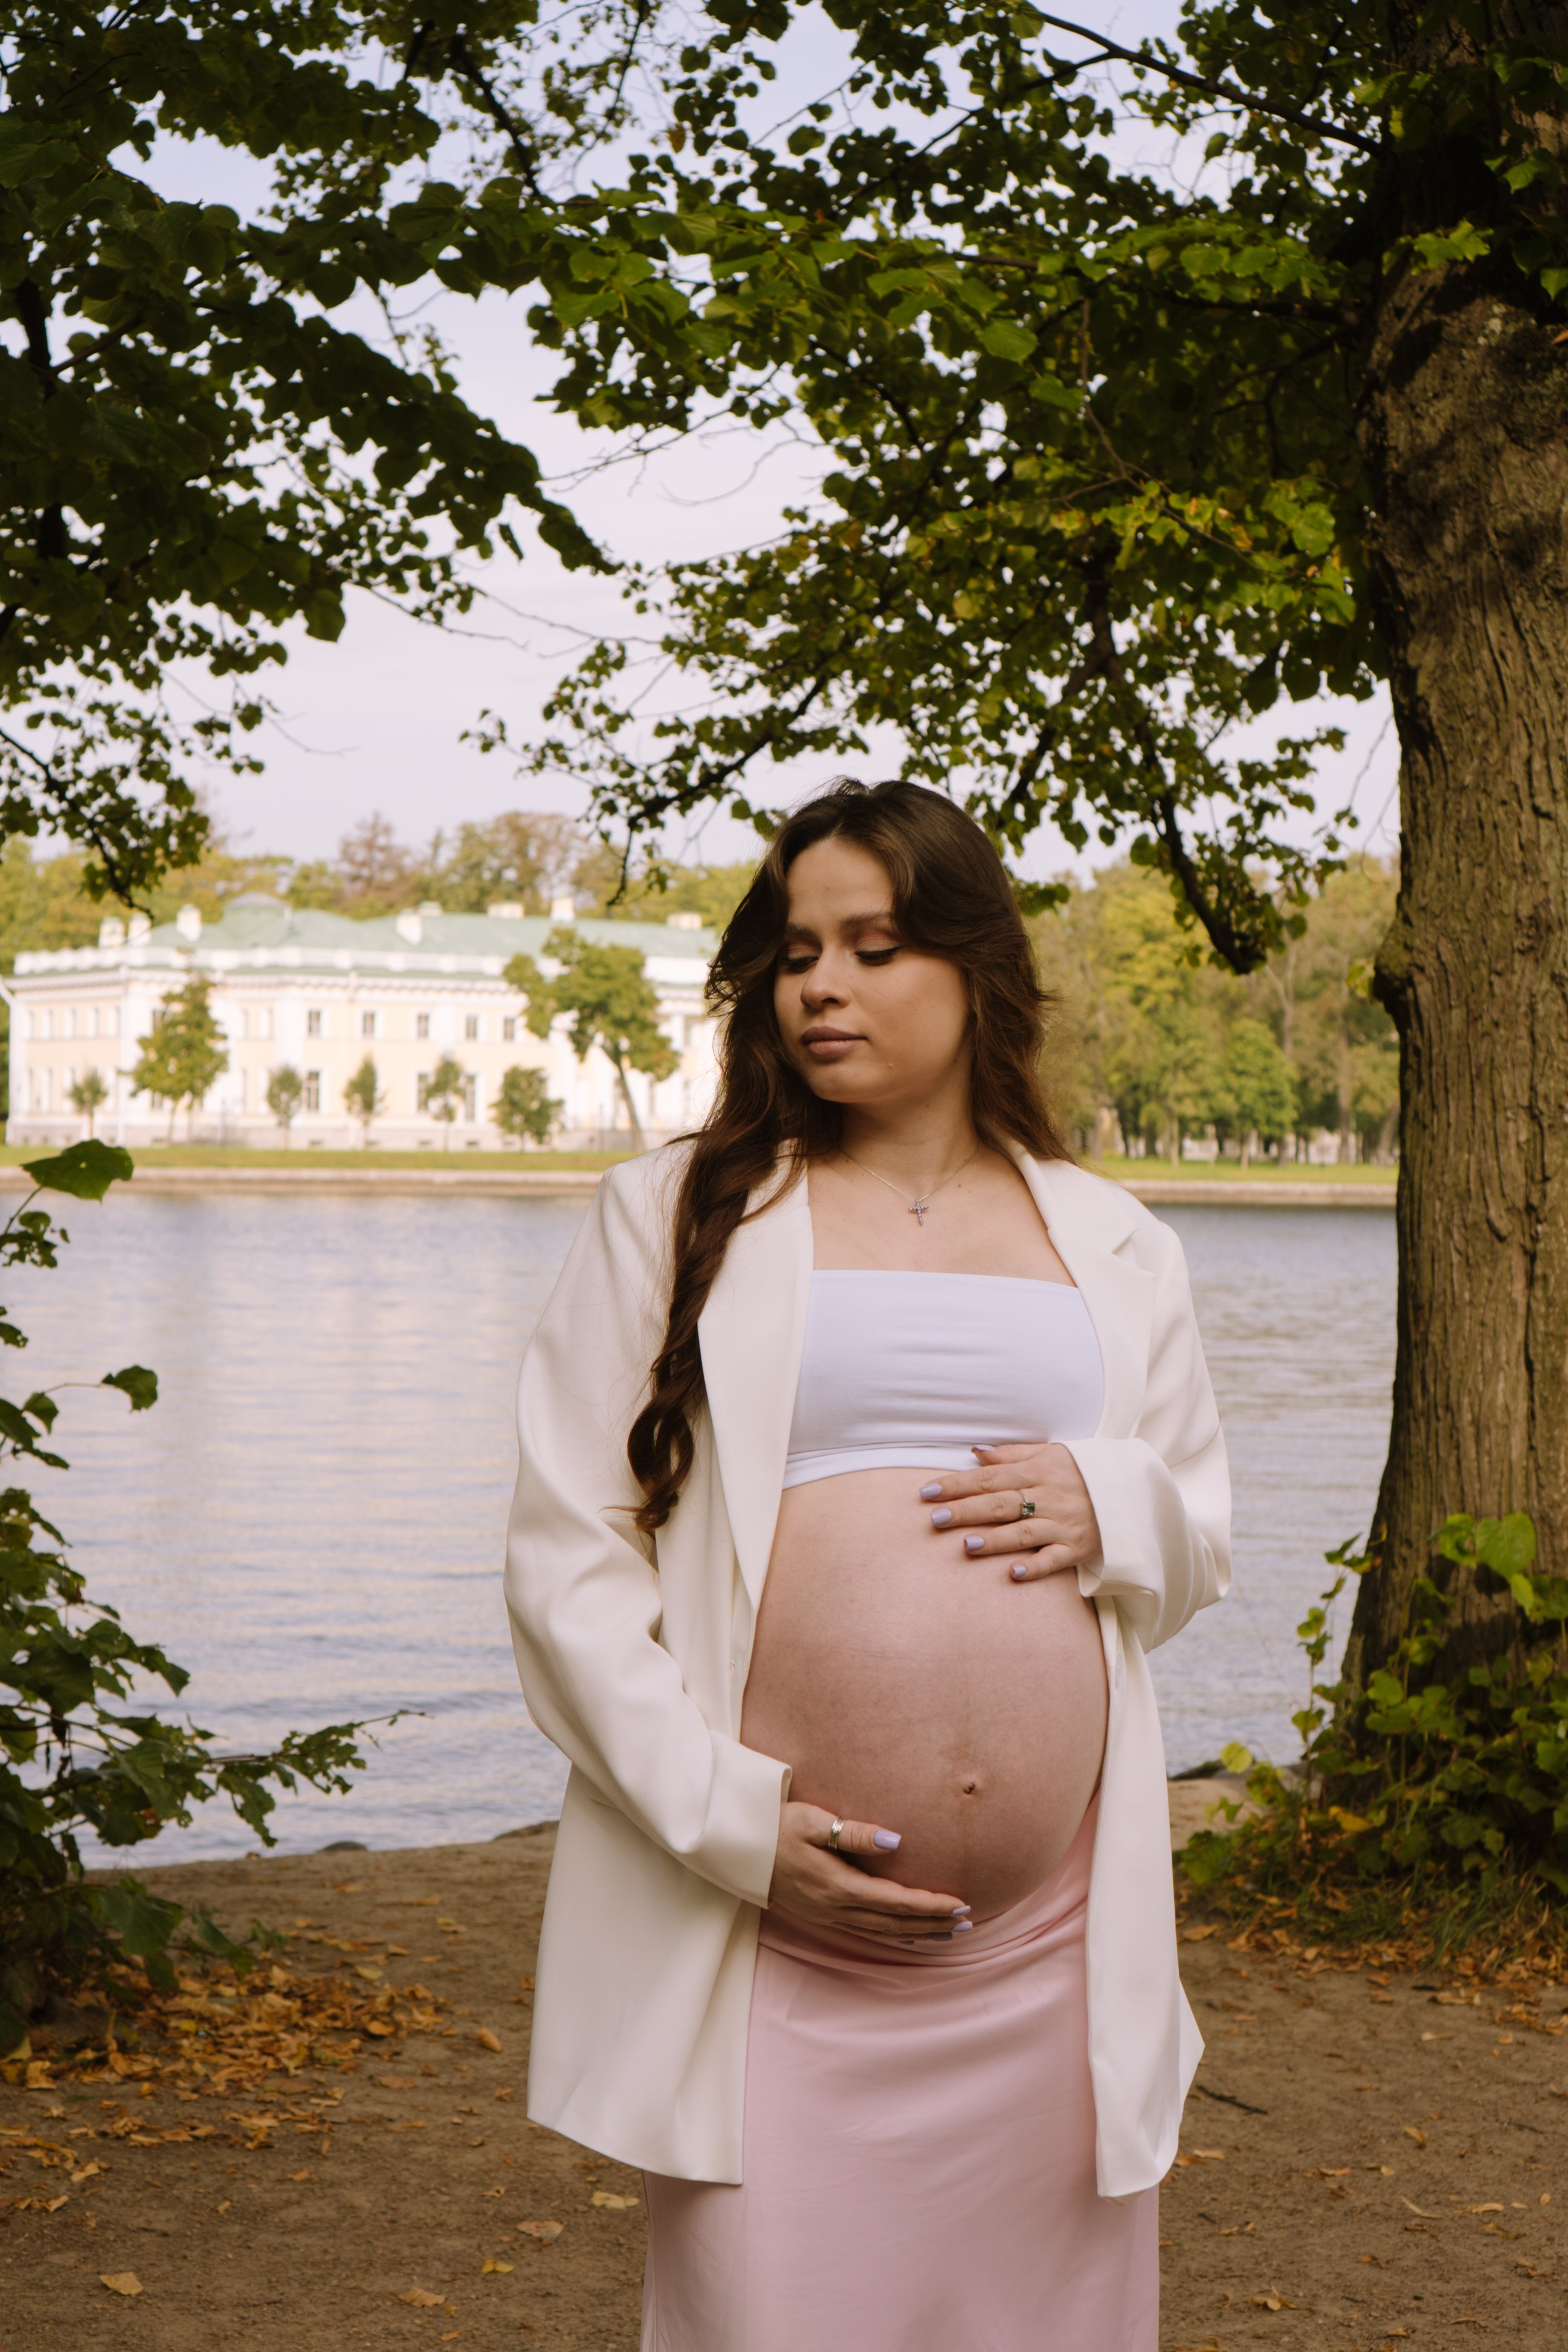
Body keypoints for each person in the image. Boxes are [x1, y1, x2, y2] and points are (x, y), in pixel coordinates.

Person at [504, 778, 1230, 2351]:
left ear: (975, 972)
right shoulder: (676, 1217)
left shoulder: (1113, 1240)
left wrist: (1114, 1503)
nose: (820, 983)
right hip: (772, 1935)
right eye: (794, 951)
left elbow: (1192, 1542)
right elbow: (568, 1563)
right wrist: (733, 1826)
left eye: (874, 945)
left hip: (1048, 1962)